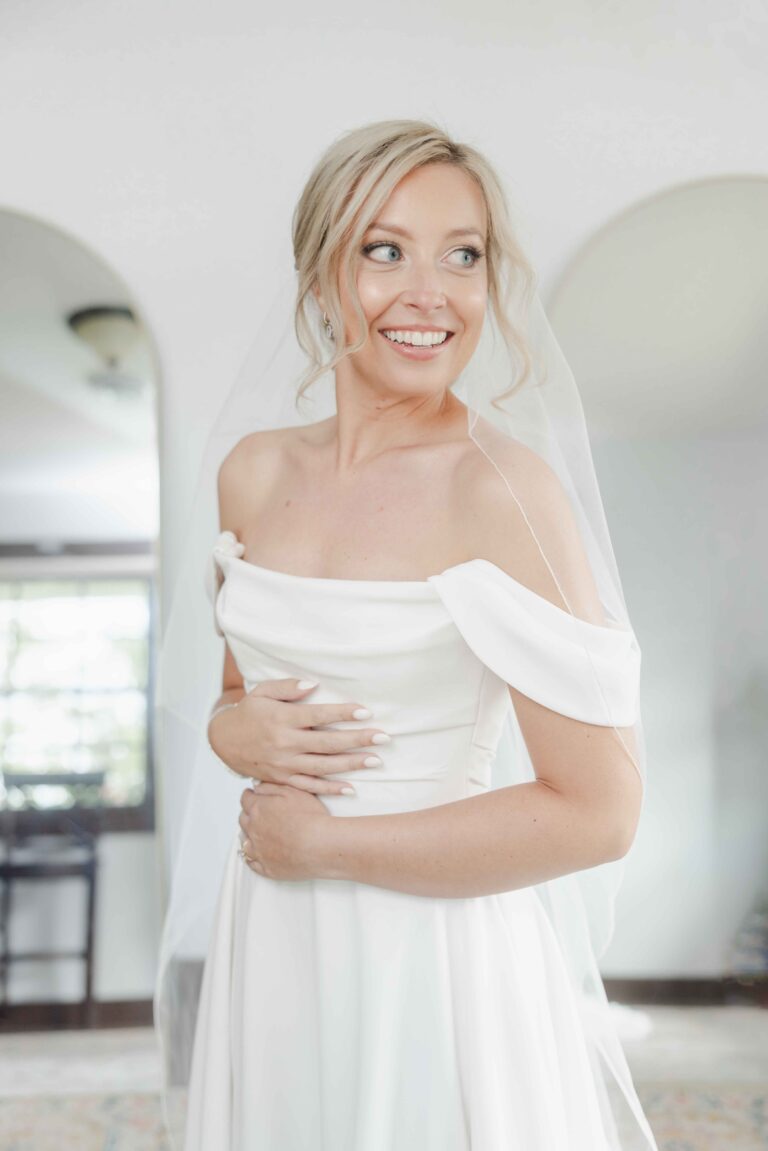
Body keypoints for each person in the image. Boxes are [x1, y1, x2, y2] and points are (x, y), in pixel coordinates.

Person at [155, 119, 658, 1150]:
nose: (431, 292)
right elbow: (241, 696)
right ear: (320, 274)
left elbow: (601, 811)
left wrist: (330, 843)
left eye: (462, 255)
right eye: (385, 250)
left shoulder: (503, 490)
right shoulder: (251, 471)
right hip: (279, 936)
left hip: (435, 943)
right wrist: (227, 729)